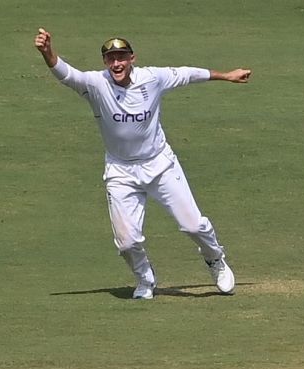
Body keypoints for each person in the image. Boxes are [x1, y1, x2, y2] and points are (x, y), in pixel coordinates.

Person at [33, 29, 251, 300]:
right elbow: (66, 73)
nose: (116, 64)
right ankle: (145, 279)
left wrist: (226, 75)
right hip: (121, 171)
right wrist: (47, 52)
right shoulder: (95, 84)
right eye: (110, 58)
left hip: (159, 164)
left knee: (194, 226)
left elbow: (187, 74)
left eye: (121, 57)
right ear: (104, 62)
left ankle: (215, 259)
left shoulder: (152, 78)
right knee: (126, 242)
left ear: (132, 58)